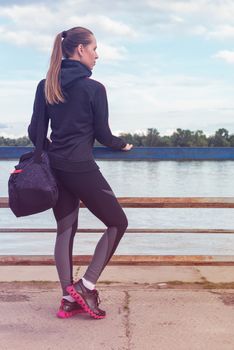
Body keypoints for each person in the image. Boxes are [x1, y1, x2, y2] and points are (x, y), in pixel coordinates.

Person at [28, 26, 133, 320]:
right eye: (95, 48)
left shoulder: (46, 84)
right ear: (81, 50)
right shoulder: (94, 88)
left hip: (56, 169)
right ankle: (86, 285)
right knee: (118, 222)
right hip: (80, 168)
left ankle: (67, 297)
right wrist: (123, 145)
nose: (97, 55)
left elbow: (34, 131)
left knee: (65, 230)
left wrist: (49, 151)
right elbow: (103, 134)